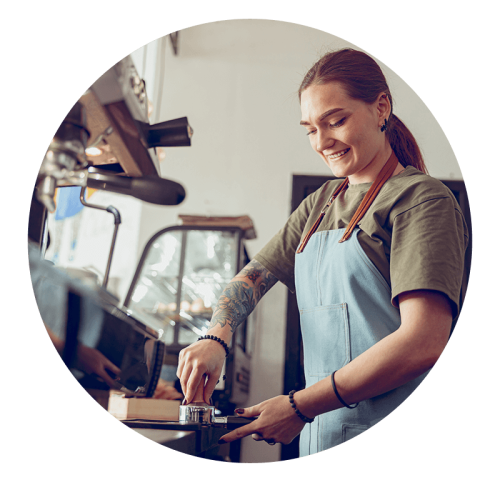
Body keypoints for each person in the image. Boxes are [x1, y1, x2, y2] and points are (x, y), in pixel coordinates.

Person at [176, 48, 468, 457]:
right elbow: (253, 276)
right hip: (324, 433)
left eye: (336, 121)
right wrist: (215, 337)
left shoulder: (422, 200)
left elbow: (423, 342)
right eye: (310, 129)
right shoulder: (322, 203)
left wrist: (299, 405)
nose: (321, 142)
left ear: (381, 107)